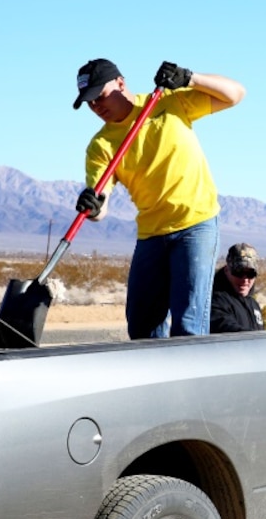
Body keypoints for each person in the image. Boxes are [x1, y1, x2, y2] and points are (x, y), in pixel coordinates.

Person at [72, 58, 245, 339]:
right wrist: (92, 207)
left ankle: (193, 380)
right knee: (142, 327)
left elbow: (236, 94)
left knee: (189, 324)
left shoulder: (167, 102)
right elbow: (100, 201)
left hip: (195, 225)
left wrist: (190, 78)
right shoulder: (101, 145)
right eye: (89, 103)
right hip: (152, 234)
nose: (96, 107)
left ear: (121, 83)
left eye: (99, 96)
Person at [210, 243, 266, 333]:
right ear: (227, 270)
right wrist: (254, 338)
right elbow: (223, 326)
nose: (245, 280)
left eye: (251, 274)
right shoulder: (216, 301)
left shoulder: (253, 304)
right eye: (239, 272)